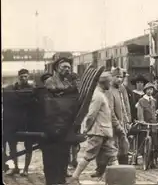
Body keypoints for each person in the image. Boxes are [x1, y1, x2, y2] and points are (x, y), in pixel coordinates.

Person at [69, 72, 123, 182]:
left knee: (112, 155)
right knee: (89, 155)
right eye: (109, 82)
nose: (110, 84)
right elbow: (91, 115)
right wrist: (87, 129)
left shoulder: (101, 94)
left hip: (104, 132)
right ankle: (74, 177)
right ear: (105, 82)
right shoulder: (98, 95)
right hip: (98, 132)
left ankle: (118, 180)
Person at [42, 57, 79, 185]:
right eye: (64, 67)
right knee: (52, 157)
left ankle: (61, 179)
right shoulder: (50, 81)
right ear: (57, 68)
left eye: (69, 67)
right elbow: (54, 97)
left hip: (64, 122)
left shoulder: (68, 82)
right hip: (53, 123)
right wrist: (69, 91)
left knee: (63, 155)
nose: (67, 69)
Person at [3, 69, 34, 177]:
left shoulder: (32, 89)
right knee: (12, 144)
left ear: (28, 77)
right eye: (22, 77)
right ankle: (15, 167)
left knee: (28, 145)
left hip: (27, 121)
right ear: (18, 77)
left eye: (26, 76)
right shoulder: (10, 89)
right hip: (14, 121)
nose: (24, 79)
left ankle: (25, 169)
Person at [137, 82, 158, 169]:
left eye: (151, 89)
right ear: (145, 90)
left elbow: (154, 112)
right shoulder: (141, 100)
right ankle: (145, 160)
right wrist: (141, 121)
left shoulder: (154, 100)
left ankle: (153, 161)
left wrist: (156, 119)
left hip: (153, 124)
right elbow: (140, 112)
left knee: (155, 144)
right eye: (148, 89)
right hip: (145, 124)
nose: (150, 91)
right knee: (144, 141)